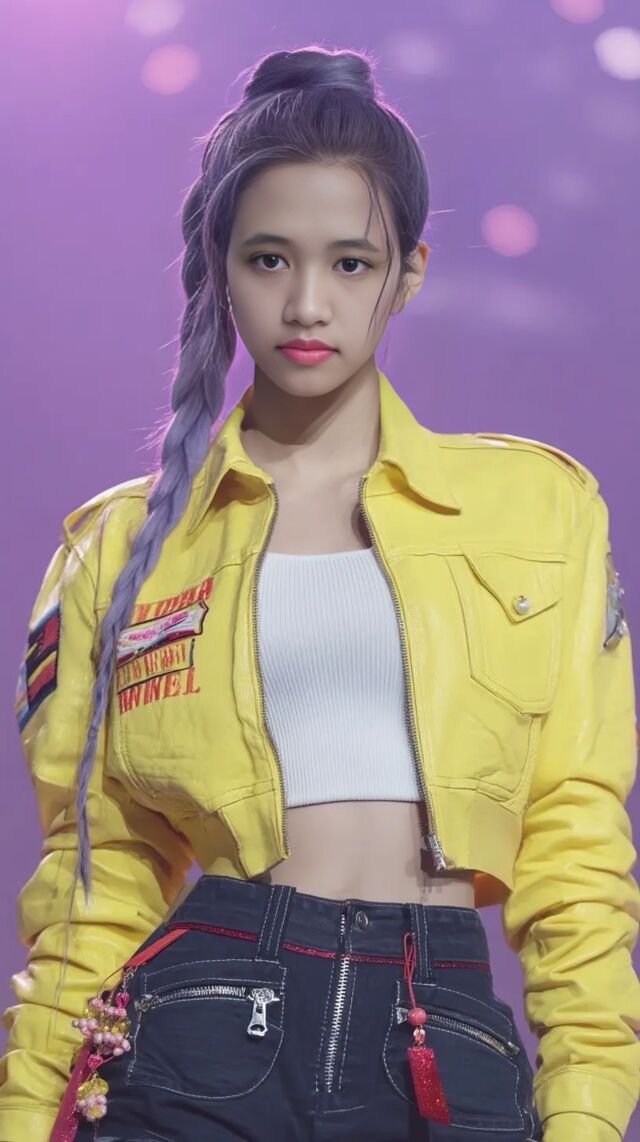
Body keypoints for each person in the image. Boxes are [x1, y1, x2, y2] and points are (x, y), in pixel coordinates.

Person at [1, 43, 638, 1142]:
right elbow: (94, 878)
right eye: (268, 259)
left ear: (409, 272)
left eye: (350, 262)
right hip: (195, 1027)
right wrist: (24, 1113)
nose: (306, 303)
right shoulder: (118, 545)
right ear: (218, 266)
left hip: (440, 1028)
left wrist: (587, 1102)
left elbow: (574, 841)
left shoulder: (539, 510)